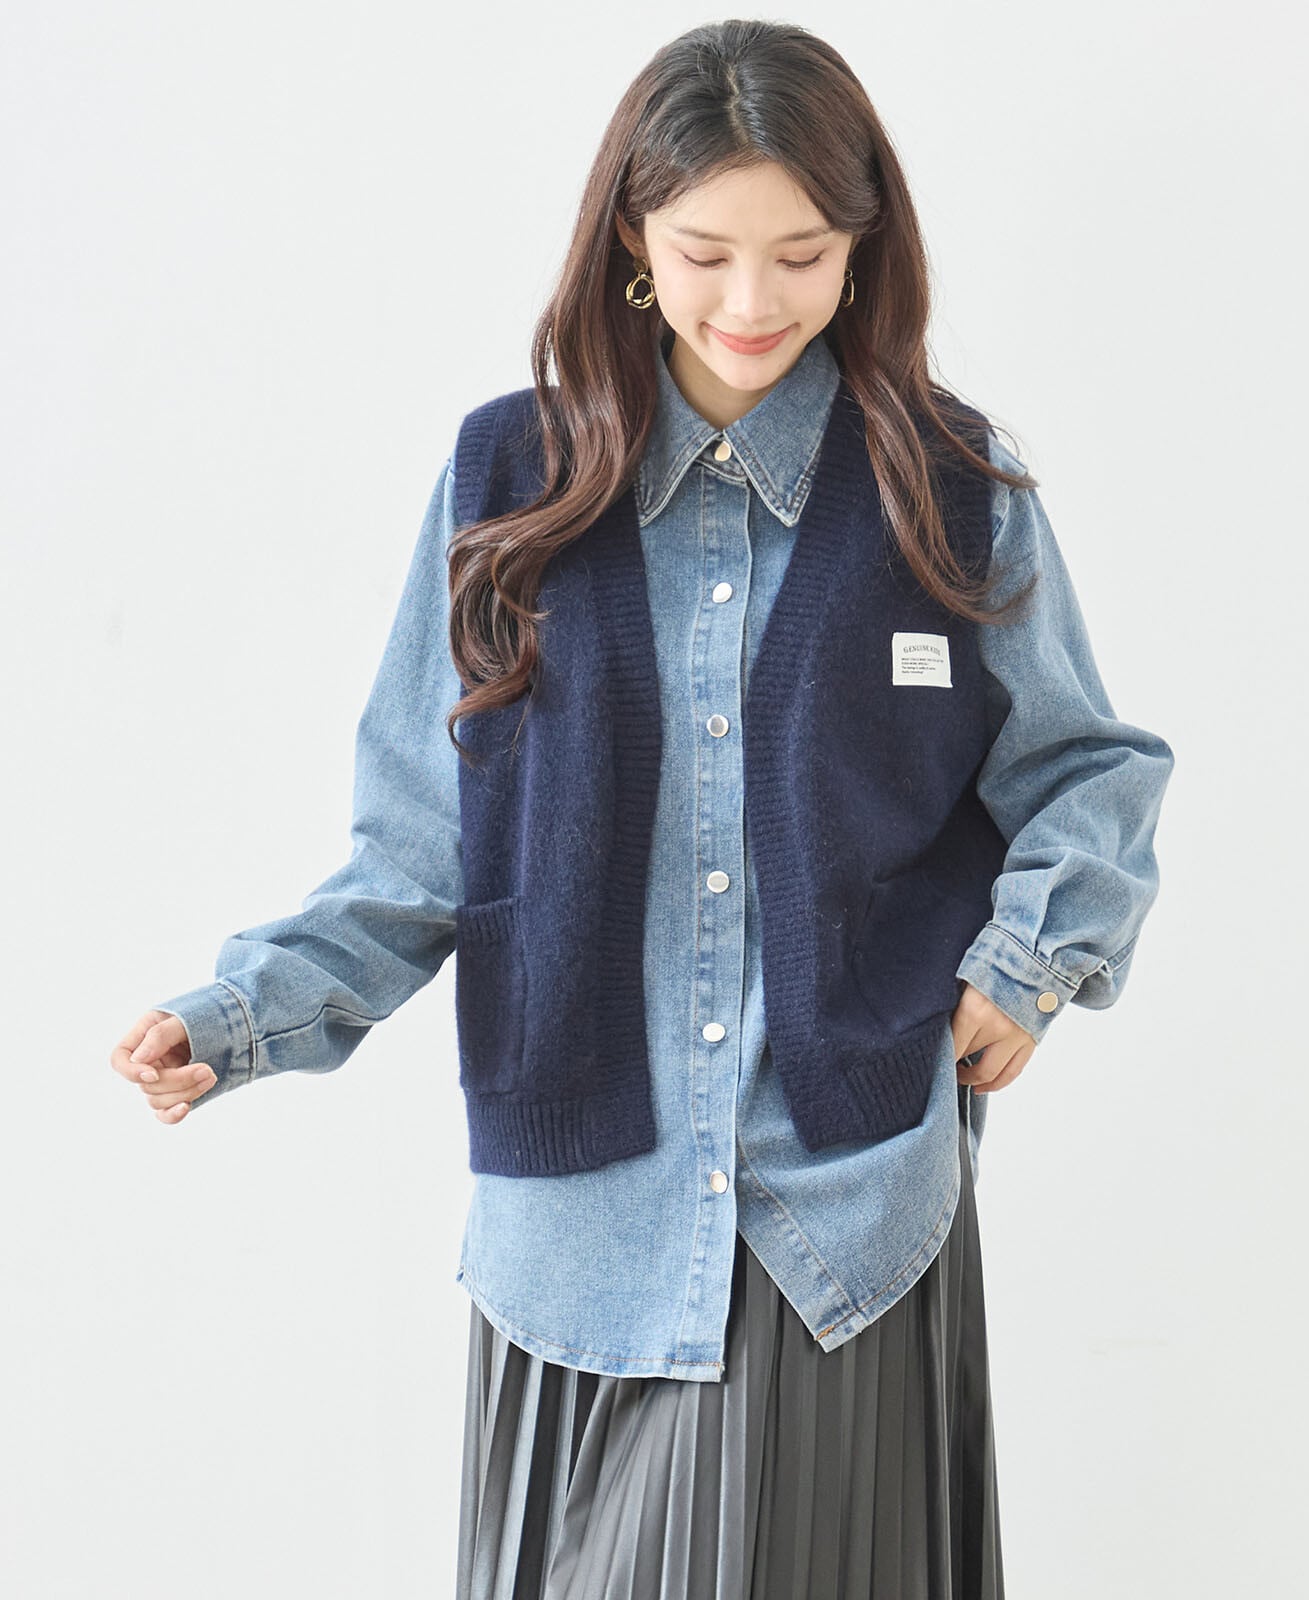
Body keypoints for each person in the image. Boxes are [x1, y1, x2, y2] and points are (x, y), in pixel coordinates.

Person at [109, 18, 1174, 1597]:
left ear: (863, 246)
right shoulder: (510, 483)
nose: (753, 303)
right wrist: (247, 1015)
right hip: (580, 1230)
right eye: (705, 254)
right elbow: (420, 848)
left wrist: (1034, 963)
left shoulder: (948, 486)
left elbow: (1087, 766)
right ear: (631, 240)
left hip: (839, 1213)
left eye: (802, 256)